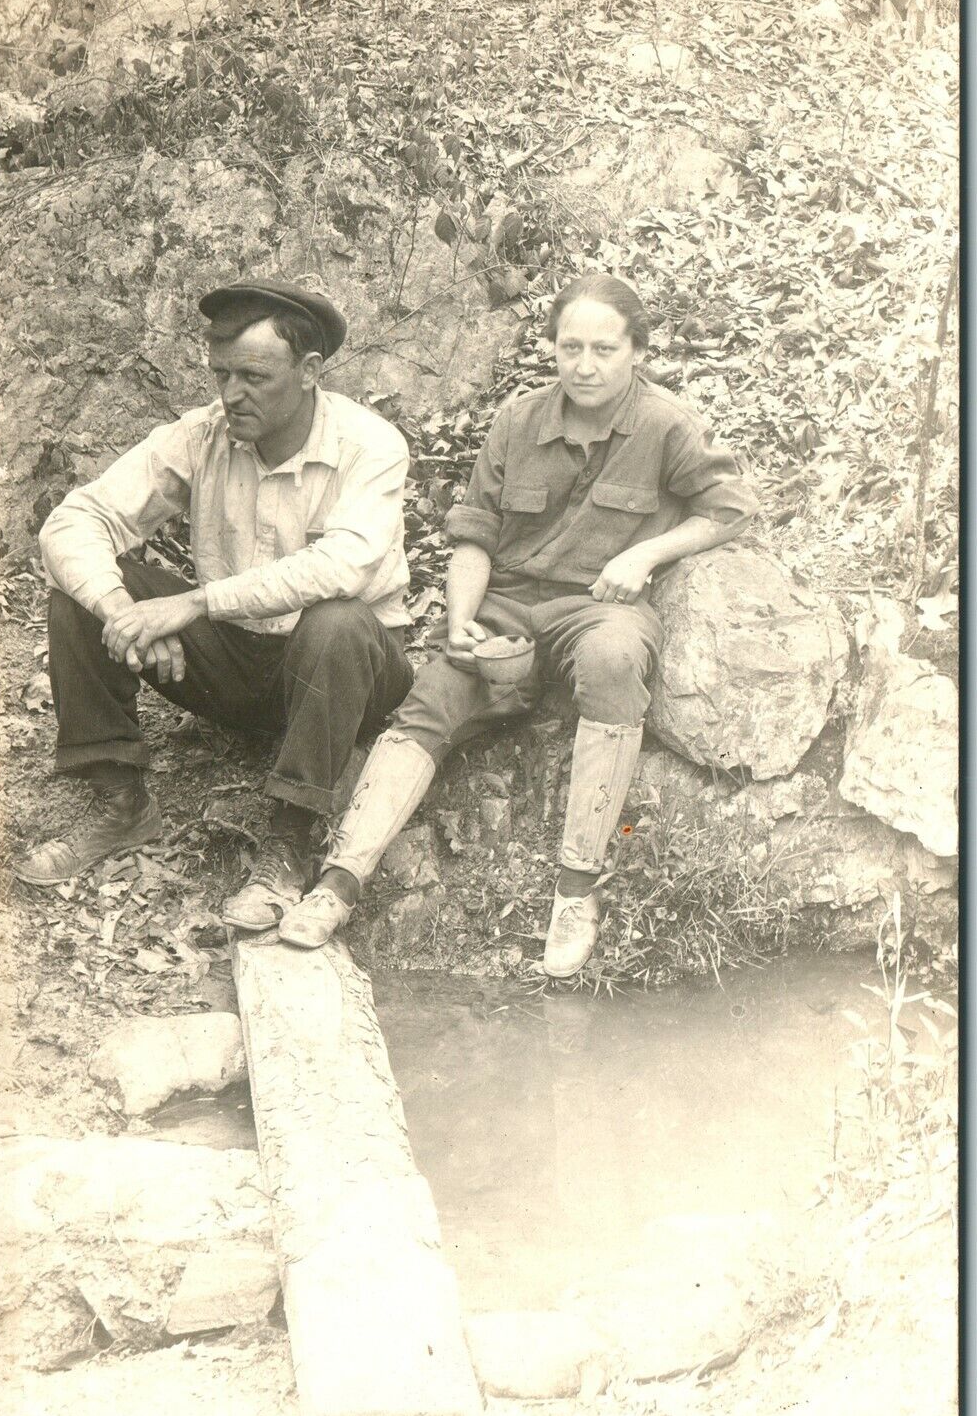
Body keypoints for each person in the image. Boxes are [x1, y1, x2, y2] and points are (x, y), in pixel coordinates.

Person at [278, 273, 758, 977]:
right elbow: (474, 533)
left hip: (599, 607)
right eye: (570, 347)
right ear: (553, 348)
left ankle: (575, 889)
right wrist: (463, 619)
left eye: (603, 349)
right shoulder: (518, 419)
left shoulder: (665, 425)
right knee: (430, 700)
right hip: (505, 604)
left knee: (614, 658)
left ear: (635, 352)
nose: (585, 366)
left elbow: (731, 508)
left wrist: (647, 551)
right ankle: (339, 881)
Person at [14, 281, 414, 931]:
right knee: (81, 591)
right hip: (237, 661)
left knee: (336, 619)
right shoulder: (201, 435)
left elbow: (344, 564)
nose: (231, 395)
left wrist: (192, 604)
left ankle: (289, 843)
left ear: (310, 373)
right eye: (220, 374)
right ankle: (120, 803)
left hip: (348, 675)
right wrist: (122, 608)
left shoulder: (369, 445)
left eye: (254, 376)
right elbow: (75, 519)